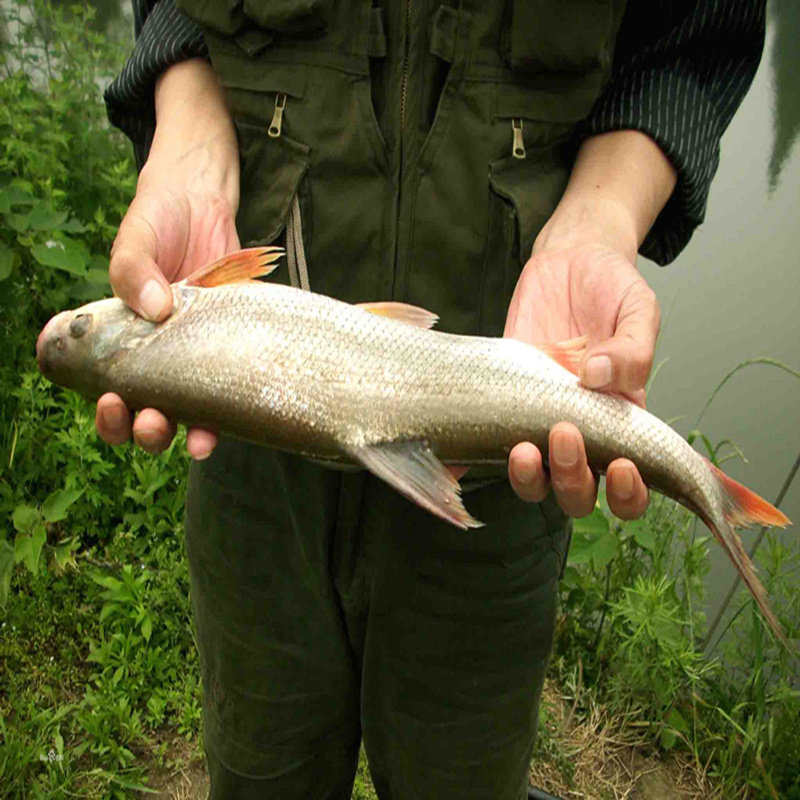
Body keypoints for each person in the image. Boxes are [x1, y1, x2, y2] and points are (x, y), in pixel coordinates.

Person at [99, 2, 765, 797]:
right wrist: (190, 131)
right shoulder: (180, 315)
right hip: (258, 471)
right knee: (258, 772)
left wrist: (601, 217)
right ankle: (704, 487)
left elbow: (693, 34)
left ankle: (703, 490)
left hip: (491, 489)